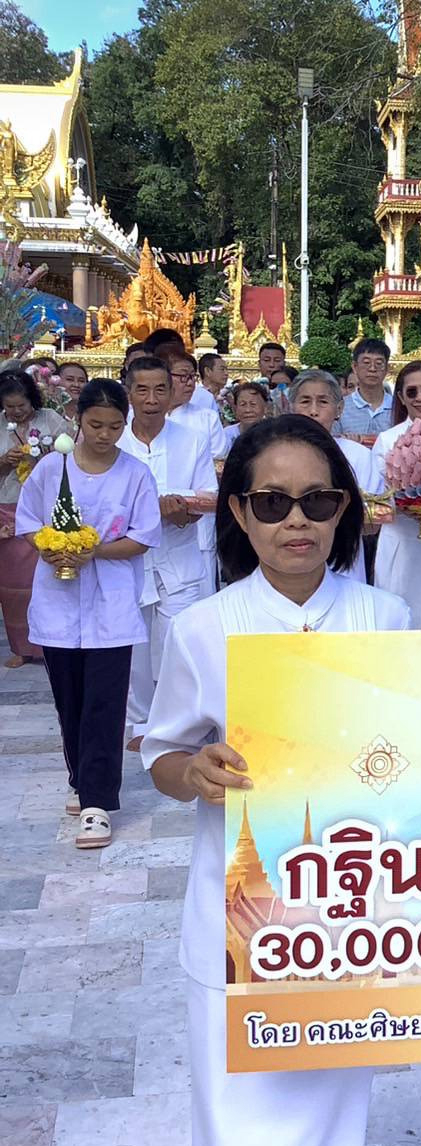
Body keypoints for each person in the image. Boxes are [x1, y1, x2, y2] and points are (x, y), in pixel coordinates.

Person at [142, 414, 409, 1146]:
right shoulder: (203, 628)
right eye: (273, 501)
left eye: (318, 500)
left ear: (343, 510)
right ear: (239, 512)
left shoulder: (388, 618)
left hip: (348, 921)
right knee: (239, 1137)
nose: (297, 520)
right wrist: (197, 772)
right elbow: (162, 755)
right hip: (237, 920)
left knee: (330, 1124)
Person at [15, 380, 160, 846]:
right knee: (69, 701)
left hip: (111, 605)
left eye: (116, 426)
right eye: (96, 425)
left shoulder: (135, 474)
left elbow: (142, 538)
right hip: (58, 603)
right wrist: (54, 549)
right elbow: (29, 524)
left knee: (104, 704)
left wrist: (93, 552)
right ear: (78, 419)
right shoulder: (50, 469)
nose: (105, 434)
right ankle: (82, 780)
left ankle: (97, 803)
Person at [118, 357, 214, 742]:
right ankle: (140, 724)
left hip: (180, 556)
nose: (152, 398)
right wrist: (154, 507)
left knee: (182, 641)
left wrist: (181, 507)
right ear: (129, 393)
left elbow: (209, 496)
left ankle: (181, 722)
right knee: (134, 649)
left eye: (160, 388)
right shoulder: (114, 440)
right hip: (128, 560)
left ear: (172, 391)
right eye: (142, 389)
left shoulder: (191, 439)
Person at [367, 360, 421, 629]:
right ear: (401, 397)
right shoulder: (387, 440)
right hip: (401, 539)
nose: (420, 398)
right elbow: (375, 501)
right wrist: (403, 503)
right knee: (401, 617)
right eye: (411, 392)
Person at [0, 370, 70, 667]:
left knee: (46, 579)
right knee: (15, 584)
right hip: (9, 505)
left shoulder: (50, 419)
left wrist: (43, 457)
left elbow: (72, 454)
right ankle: (21, 647)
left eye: (22, 405)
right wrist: (4, 461)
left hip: (48, 505)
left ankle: (50, 645)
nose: (17, 411)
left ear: (33, 399)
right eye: (10, 407)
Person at [289, 370, 373, 578]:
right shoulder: (275, 454)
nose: (313, 411)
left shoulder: (358, 456)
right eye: (305, 401)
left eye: (323, 402)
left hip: (344, 560)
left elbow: (374, 520)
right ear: (291, 407)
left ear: (339, 409)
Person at [167, 350, 231, 597]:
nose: (189, 382)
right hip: (149, 518)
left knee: (199, 592)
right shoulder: (137, 418)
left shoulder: (205, 417)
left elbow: (218, 464)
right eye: (182, 376)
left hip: (197, 515)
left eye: (192, 377)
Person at [337, 337, 393, 444]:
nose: (372, 369)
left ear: (387, 369)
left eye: (379, 363)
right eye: (366, 362)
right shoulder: (341, 408)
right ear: (354, 367)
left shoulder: (398, 407)